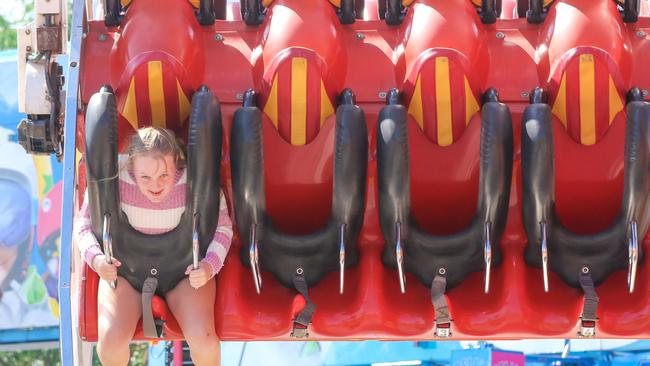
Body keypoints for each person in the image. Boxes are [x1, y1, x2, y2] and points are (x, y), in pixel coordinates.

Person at [73, 127, 232, 366]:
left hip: (183, 275)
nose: (155, 185)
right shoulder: (112, 178)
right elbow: (82, 226)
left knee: (204, 340)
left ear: (176, 165)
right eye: (145, 177)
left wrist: (209, 267)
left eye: (164, 176)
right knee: (110, 344)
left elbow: (223, 230)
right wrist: (96, 260)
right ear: (131, 166)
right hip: (127, 275)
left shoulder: (196, 183)